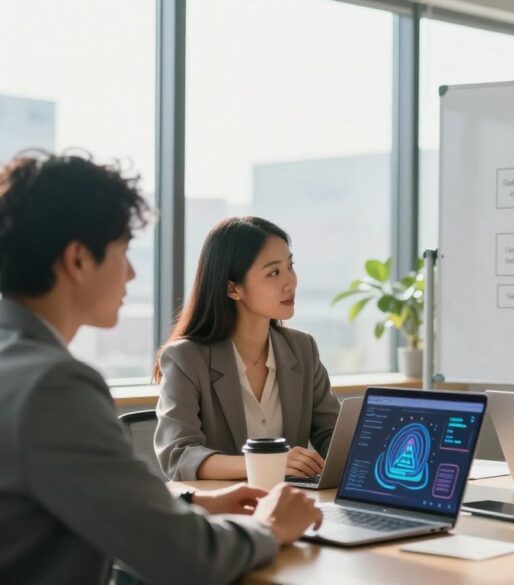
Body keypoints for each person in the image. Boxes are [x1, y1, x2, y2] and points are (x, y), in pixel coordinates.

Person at [0, 152, 321, 584]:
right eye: (122, 250)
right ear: (78, 261)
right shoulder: (54, 386)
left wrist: (191, 504)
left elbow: (90, 497)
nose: (131, 273)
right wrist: (268, 527)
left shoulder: (15, 364)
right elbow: (189, 556)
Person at [154, 216, 340, 481]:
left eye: (290, 266)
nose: (291, 282)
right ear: (233, 289)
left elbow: (332, 434)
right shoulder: (186, 358)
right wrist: (267, 464)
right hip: (224, 511)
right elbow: (178, 456)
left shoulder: (302, 348)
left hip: (292, 506)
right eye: (274, 272)